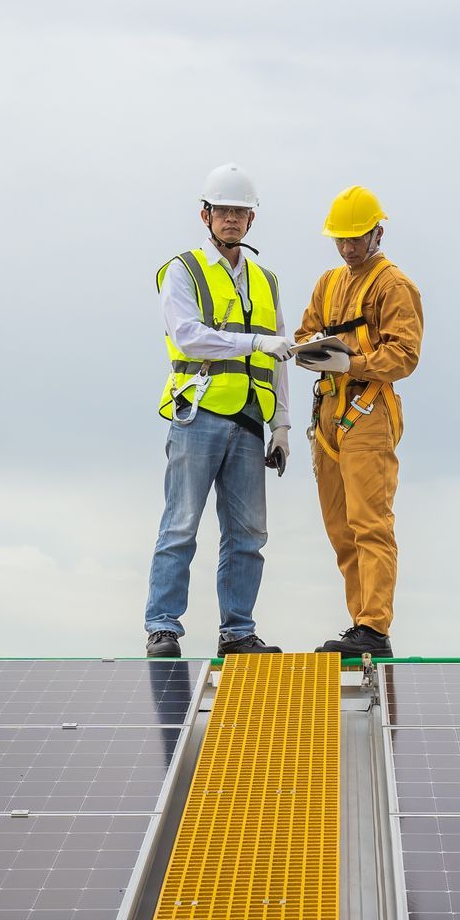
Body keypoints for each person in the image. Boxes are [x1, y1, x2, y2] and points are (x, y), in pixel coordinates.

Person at [143, 164, 293, 658]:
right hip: (199, 414)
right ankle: (163, 626)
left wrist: (283, 426)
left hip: (251, 421)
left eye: (240, 212)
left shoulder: (266, 281)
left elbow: (280, 357)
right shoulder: (183, 270)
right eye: (224, 210)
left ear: (252, 220)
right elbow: (188, 335)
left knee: (249, 534)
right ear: (205, 215)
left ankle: (238, 632)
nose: (232, 219)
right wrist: (255, 342)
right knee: (181, 524)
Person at [294, 185, 422, 658]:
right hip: (327, 411)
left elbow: (405, 355)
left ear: (377, 233)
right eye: (340, 240)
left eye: (356, 239)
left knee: (371, 523)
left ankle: (374, 626)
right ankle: (358, 625)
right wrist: (317, 353)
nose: (348, 248)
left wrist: (353, 363)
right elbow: (305, 331)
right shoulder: (327, 283)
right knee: (340, 526)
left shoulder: (394, 286)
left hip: (368, 410)